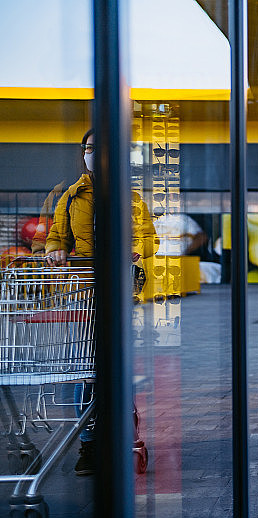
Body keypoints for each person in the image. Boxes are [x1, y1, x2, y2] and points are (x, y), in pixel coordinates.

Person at [44, 129, 159, 475]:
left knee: (114, 367)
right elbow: (54, 237)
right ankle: (90, 445)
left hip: (120, 294)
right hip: (85, 295)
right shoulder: (70, 197)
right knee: (89, 373)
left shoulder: (131, 197)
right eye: (90, 148)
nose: (95, 153)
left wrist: (135, 251)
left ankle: (124, 431)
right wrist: (55, 250)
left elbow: (148, 239)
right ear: (84, 153)